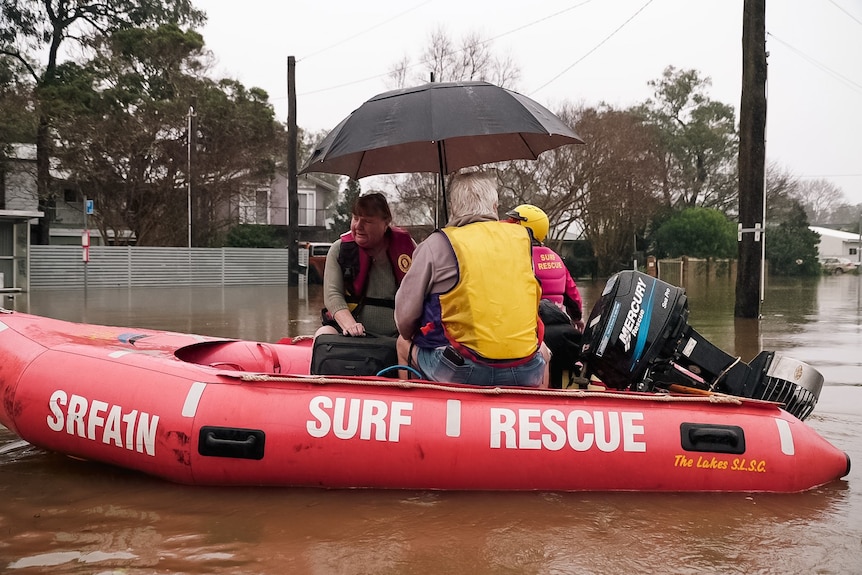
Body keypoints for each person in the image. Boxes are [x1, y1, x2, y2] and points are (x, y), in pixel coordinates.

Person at [394, 170, 546, 387]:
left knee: (402, 343)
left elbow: (404, 321)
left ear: (454, 208)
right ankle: (536, 411)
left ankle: (414, 414)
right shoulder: (523, 240)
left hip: (462, 370)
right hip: (526, 369)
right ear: (494, 207)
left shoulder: (436, 243)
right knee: (543, 350)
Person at [315, 193, 415, 338]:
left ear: (386, 222)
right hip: (349, 332)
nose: (358, 226)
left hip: (397, 336)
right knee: (323, 334)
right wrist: (350, 325)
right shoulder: (339, 250)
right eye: (355, 218)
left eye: (367, 221)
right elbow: (332, 295)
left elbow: (422, 296)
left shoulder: (409, 249)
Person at [506, 204, 585, 388]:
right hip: (561, 330)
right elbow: (573, 297)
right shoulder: (556, 258)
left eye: (513, 222)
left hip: (533, 330)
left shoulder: (518, 257)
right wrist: (577, 319)